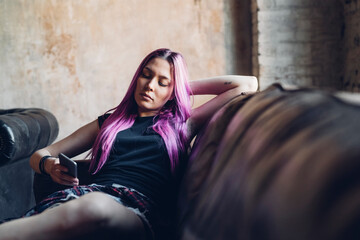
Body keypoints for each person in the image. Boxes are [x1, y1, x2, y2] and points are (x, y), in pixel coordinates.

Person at [0, 48, 258, 240]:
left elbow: (247, 84)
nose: (150, 86)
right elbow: (39, 154)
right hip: (84, 196)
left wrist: (178, 85)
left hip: (138, 211)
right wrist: (49, 166)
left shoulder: (182, 124)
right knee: (81, 207)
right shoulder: (110, 123)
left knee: (96, 208)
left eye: (162, 82)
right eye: (146, 76)